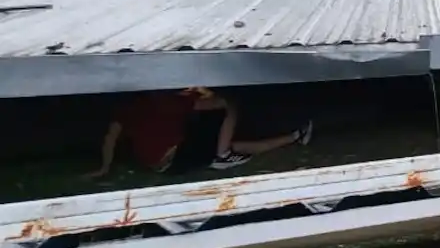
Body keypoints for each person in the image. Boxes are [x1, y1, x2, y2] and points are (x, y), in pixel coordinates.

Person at [85, 86, 312, 178]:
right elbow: (220, 103)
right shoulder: (168, 102)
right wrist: (204, 92)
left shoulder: (127, 109)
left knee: (229, 140)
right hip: (179, 160)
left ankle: (296, 136)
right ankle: (222, 154)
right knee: (228, 106)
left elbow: (109, 140)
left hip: (161, 166)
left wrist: (104, 167)